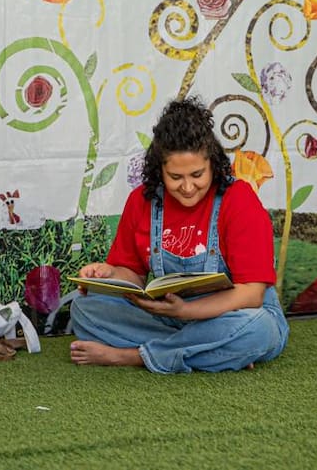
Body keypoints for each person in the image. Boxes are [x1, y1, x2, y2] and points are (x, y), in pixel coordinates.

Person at [69, 96, 288, 373]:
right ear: (159, 169)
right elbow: (133, 276)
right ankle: (213, 349)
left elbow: (251, 295)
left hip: (234, 313)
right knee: (84, 307)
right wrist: (106, 274)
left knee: (259, 329)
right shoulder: (142, 200)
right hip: (169, 317)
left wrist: (185, 311)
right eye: (175, 177)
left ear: (213, 163)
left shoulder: (239, 199)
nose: (187, 187)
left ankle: (132, 356)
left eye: (197, 174)